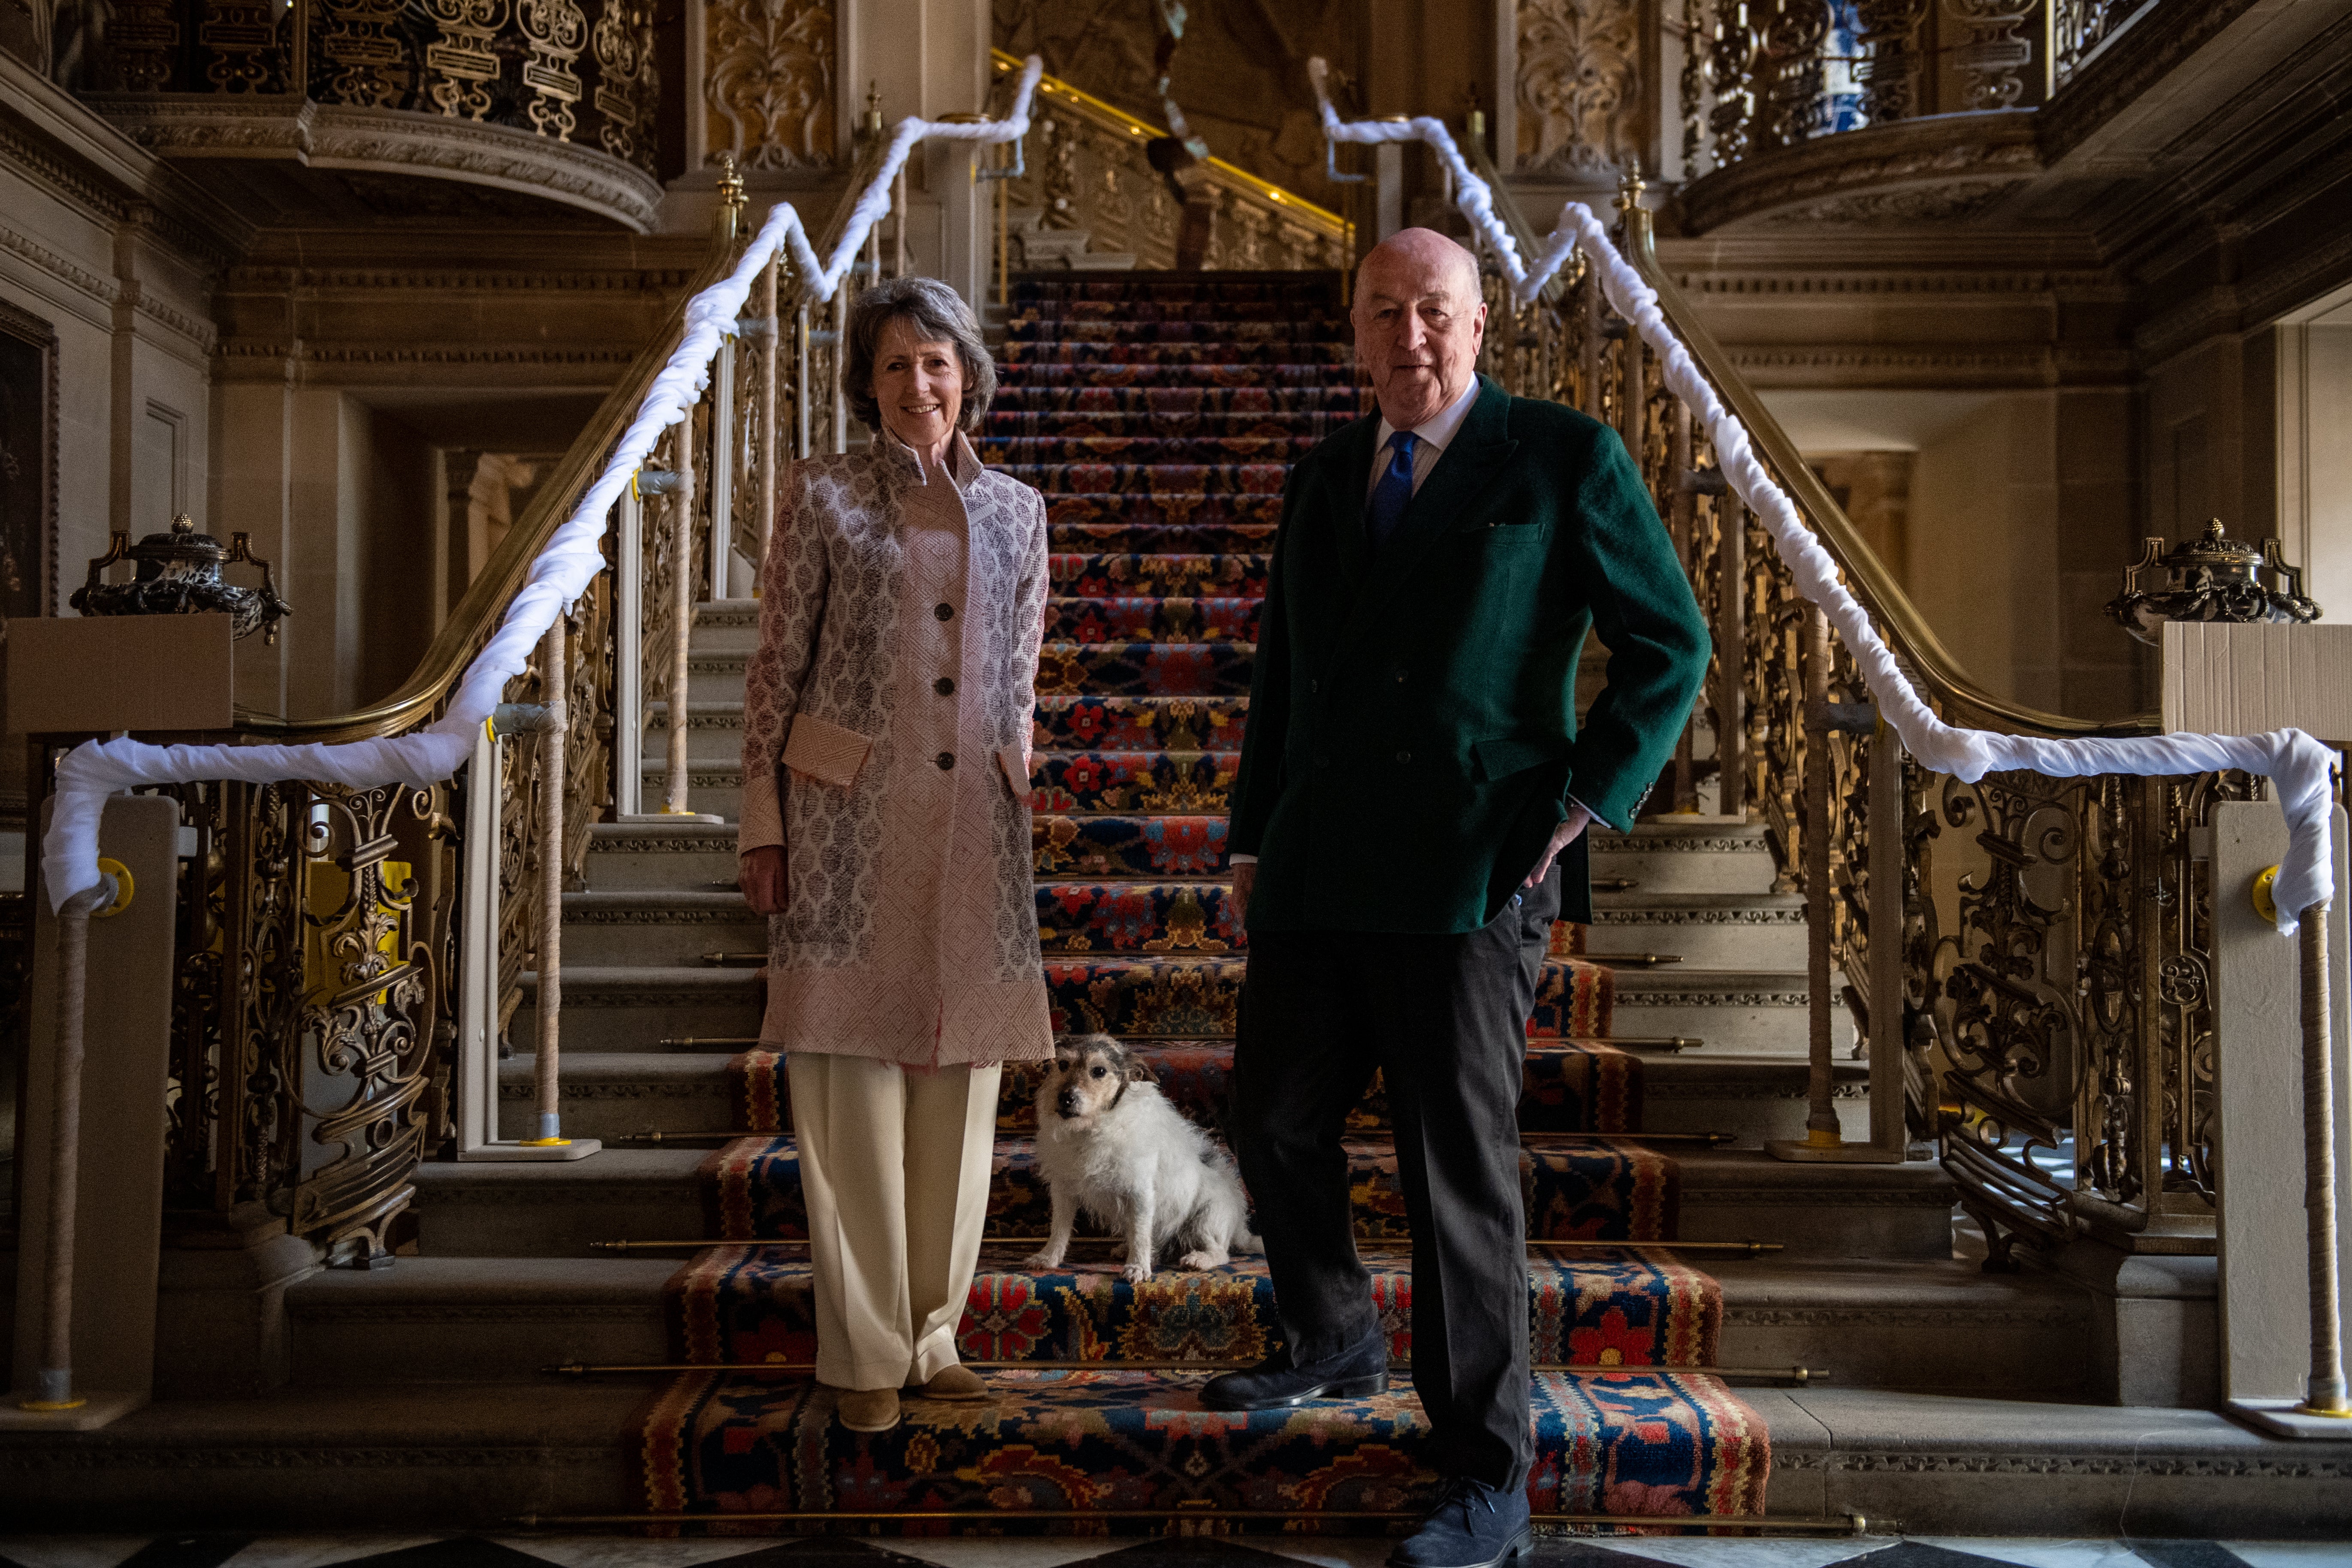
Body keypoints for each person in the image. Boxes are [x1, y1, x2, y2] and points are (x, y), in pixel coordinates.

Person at [1207, 230, 1710, 1567]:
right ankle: (1328, 1331)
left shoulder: (1560, 457)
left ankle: (1487, 1472)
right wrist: (1251, 838)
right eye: (1384, 316)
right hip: (1316, 867)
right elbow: (1284, 676)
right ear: (1357, 333)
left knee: (1454, 1179)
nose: (1409, 339)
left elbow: (1670, 644)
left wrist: (1585, 798)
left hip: (1472, 867)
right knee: (1272, 1121)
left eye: (1432, 313)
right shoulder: (1326, 474)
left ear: (1478, 326)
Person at [736, 274, 1053, 1436]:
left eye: (935, 361)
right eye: (893, 366)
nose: (917, 384)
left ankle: (933, 1335)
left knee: (958, 1093)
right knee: (848, 1094)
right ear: (863, 386)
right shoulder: (820, 492)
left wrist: (1018, 787)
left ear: (967, 372)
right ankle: (863, 1350)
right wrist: (761, 823)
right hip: (844, 822)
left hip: (976, 824)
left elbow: (1017, 675)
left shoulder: (1020, 509)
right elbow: (776, 663)